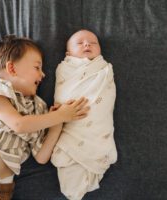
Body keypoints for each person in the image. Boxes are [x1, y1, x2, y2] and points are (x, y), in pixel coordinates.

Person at [0, 35, 89, 200]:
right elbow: (19, 125)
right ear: (12, 69)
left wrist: (57, 123)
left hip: (1, 192)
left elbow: (42, 157)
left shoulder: (37, 109)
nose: (43, 75)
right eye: (37, 67)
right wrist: (59, 115)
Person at [51, 29, 118, 200]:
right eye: (79, 43)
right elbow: (63, 94)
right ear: (68, 53)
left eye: (93, 43)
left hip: (97, 124)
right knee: (70, 162)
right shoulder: (65, 69)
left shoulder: (103, 69)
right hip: (72, 124)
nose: (87, 44)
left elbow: (107, 95)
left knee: (97, 134)